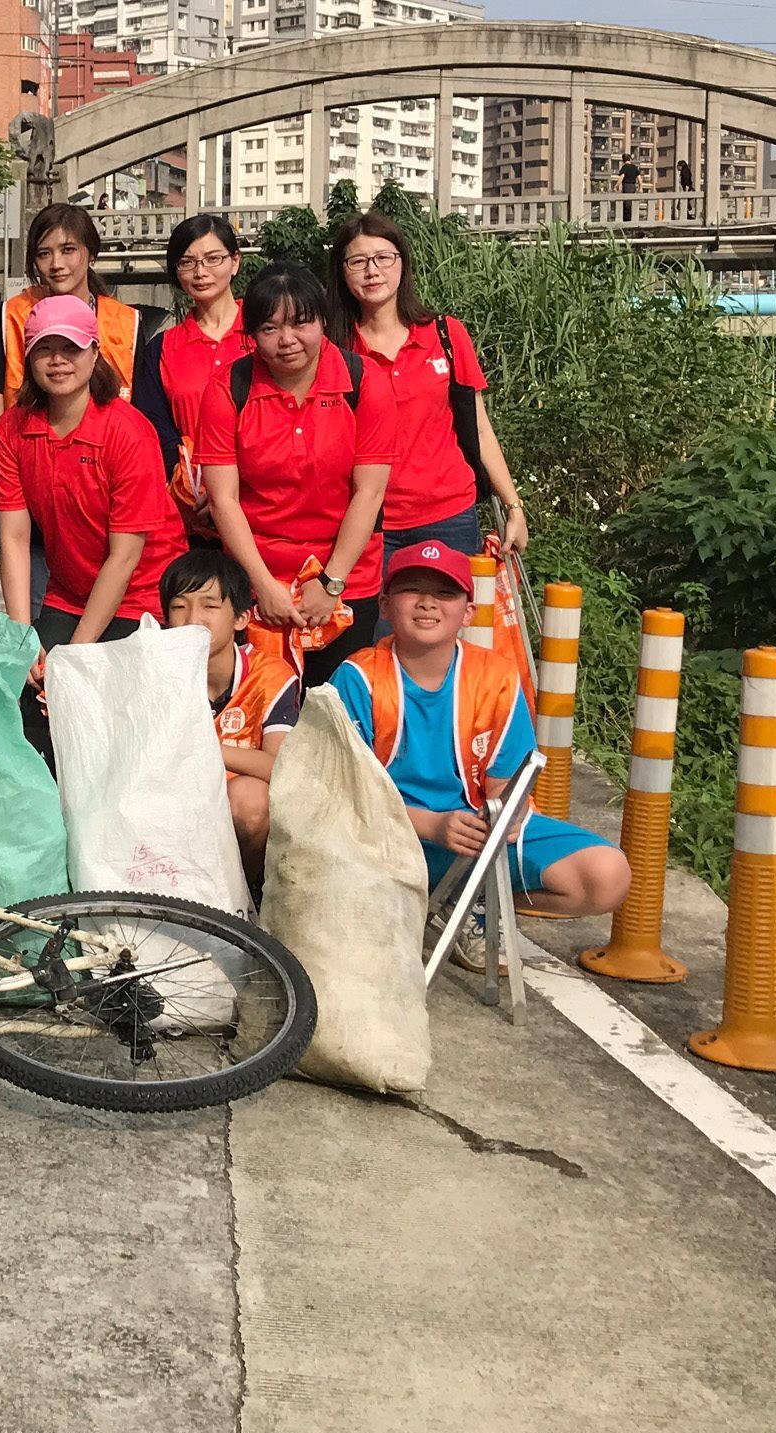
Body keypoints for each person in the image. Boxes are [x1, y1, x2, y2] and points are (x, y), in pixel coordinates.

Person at [333, 541, 630, 969]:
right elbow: (345, 792)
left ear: (468, 612)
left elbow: (507, 784)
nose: (427, 604)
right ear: (383, 605)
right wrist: (432, 824)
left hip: (471, 837)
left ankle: (469, 901)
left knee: (606, 875)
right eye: (411, 589)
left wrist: (504, 815)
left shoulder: (495, 676)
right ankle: (421, 900)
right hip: (387, 835)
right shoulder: (358, 677)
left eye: (446, 594)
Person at [194, 262, 397, 685]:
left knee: (341, 713)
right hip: (259, 576)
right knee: (264, 711)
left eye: (301, 323)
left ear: (323, 321)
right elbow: (223, 499)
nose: (287, 341)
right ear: (251, 336)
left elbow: (369, 494)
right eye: (270, 328)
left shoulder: (364, 382)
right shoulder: (228, 387)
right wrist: (262, 585)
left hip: (344, 576)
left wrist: (332, 582)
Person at [0, 295, 183, 652]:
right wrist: (22, 637)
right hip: (69, 594)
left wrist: (77, 651)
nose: (58, 360)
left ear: (95, 353)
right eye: (44, 348)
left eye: (71, 347)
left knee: (93, 687)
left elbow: (124, 556)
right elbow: (14, 537)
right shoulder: (11, 429)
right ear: (27, 357)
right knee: (29, 690)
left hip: (141, 592)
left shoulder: (129, 432)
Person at [329, 212, 528, 561]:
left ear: (402, 264)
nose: (372, 271)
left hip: (448, 516)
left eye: (383, 258)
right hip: (366, 521)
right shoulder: (334, 350)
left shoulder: (445, 334)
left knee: (445, 616)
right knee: (378, 618)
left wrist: (514, 507)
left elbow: (480, 429)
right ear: (342, 272)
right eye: (357, 261)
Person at [0, 203, 146, 558]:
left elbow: (141, 424)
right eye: (44, 253)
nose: (56, 264)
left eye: (68, 250)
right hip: (27, 495)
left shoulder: (127, 325)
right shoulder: (9, 319)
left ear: (90, 253)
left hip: (103, 498)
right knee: (32, 610)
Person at [159, 548, 299, 887]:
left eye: (209, 605)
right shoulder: (155, 669)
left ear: (241, 618)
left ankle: (242, 897)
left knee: (252, 800)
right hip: (170, 800)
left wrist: (206, 747)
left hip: (232, 807)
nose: (193, 619)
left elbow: (281, 768)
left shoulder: (271, 675)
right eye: (179, 606)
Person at [134, 214, 249, 531]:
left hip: (262, 506)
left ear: (235, 262)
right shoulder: (162, 349)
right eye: (187, 262)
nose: (201, 272)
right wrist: (194, 490)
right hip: (190, 512)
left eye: (213, 259)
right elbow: (154, 429)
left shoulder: (264, 335)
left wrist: (232, 494)